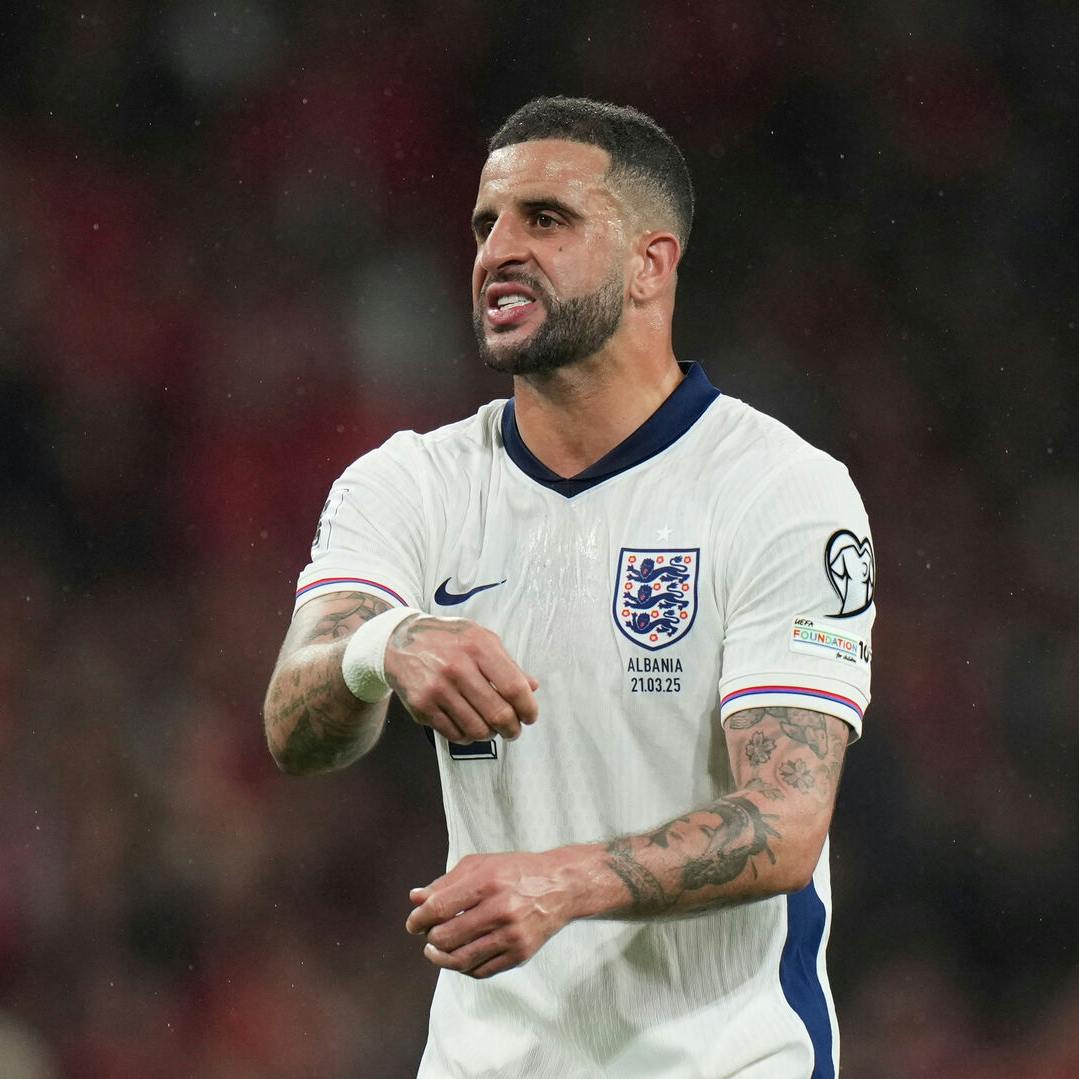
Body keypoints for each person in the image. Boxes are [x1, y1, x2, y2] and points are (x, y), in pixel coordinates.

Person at [263, 96, 876, 1078]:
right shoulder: (412, 482)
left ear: (649, 262)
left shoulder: (778, 487)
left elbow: (785, 819)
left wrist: (563, 882)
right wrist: (384, 646)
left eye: (544, 219)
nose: (497, 249)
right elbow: (295, 724)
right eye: (483, 224)